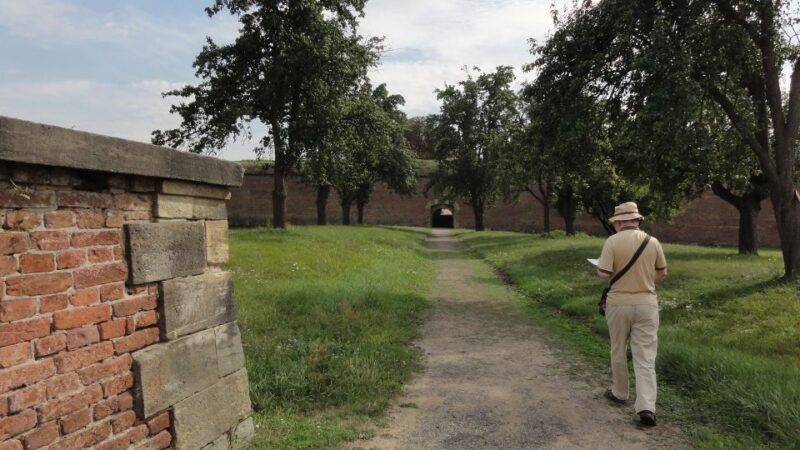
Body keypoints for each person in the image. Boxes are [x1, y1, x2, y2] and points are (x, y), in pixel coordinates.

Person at [596, 201, 667, 427]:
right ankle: (647, 406)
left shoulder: (612, 242)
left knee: (618, 348)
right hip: (647, 303)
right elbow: (662, 272)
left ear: (618, 222)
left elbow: (604, 273)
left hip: (619, 303)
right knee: (645, 355)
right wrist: (643, 280)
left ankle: (620, 392)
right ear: (637, 220)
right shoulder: (652, 242)